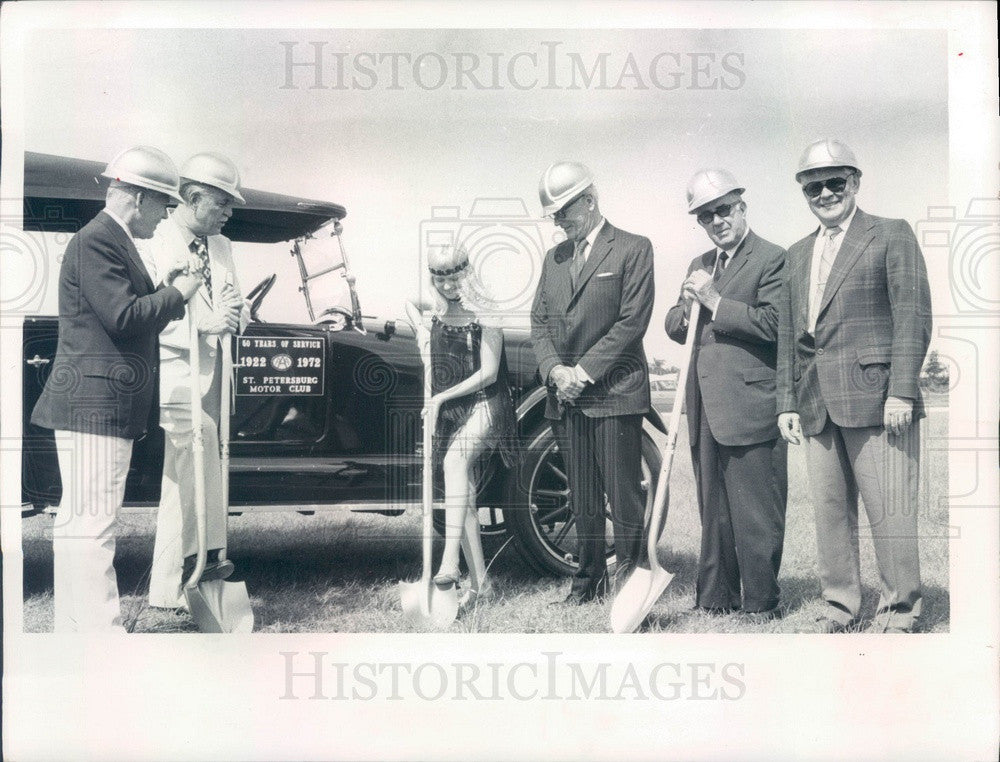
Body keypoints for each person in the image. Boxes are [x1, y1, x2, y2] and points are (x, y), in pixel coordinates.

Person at [30, 145, 202, 632]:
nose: (166, 217)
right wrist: (178, 293)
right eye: (165, 206)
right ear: (140, 198)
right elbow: (123, 317)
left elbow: (118, 310)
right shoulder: (99, 240)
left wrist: (160, 288)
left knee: (78, 523)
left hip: (91, 404)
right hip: (96, 406)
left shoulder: (105, 238)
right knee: (94, 524)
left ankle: (75, 626)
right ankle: (101, 633)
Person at [776, 139, 931, 633]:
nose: (825, 193)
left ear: (855, 183)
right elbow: (789, 336)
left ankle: (900, 610)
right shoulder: (797, 255)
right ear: (804, 193)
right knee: (829, 514)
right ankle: (841, 606)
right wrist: (787, 402)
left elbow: (913, 316)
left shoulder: (890, 234)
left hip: (880, 399)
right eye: (813, 187)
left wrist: (902, 391)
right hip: (817, 403)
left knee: (890, 512)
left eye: (834, 182)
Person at [664, 169, 788, 622]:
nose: (716, 221)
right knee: (712, 506)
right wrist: (684, 305)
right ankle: (716, 596)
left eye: (723, 210)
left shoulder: (773, 258)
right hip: (703, 405)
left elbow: (776, 325)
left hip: (751, 402)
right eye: (705, 216)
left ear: (742, 206)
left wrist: (714, 300)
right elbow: (678, 329)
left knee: (755, 510)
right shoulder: (700, 264)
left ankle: (760, 602)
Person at [530, 160, 655, 604]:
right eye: (555, 215)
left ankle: (631, 585)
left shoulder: (634, 248)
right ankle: (586, 584)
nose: (559, 221)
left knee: (623, 499)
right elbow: (539, 322)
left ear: (589, 200)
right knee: (582, 499)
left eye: (565, 211)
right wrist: (554, 372)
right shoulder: (554, 258)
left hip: (615, 396)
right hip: (565, 399)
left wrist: (581, 373)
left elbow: (631, 323)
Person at [140, 152, 249, 609]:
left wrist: (233, 318)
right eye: (222, 203)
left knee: (183, 479)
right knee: (198, 451)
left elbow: (235, 305)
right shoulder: (156, 238)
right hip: (174, 372)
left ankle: (171, 586)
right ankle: (201, 562)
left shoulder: (221, 245)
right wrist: (209, 322)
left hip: (215, 373)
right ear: (192, 196)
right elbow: (158, 312)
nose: (228, 213)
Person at [407, 244, 517, 608]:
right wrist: (422, 337)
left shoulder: (487, 310)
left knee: (454, 463)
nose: (450, 285)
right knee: (463, 495)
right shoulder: (435, 306)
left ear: (468, 272)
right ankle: (482, 585)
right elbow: (409, 303)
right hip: (454, 407)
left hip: (488, 403)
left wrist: (439, 398)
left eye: (455, 276)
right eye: (441, 279)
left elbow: (488, 373)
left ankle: (449, 562)